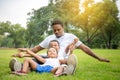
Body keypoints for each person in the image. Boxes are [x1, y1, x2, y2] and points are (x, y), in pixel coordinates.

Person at [11, 20, 110, 74]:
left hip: (61, 59)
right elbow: (36, 49)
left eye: (58, 29)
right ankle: (19, 67)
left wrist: (99, 58)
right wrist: (24, 53)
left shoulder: (71, 37)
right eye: (54, 30)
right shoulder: (49, 38)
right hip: (47, 58)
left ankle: (67, 69)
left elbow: (85, 48)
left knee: (69, 60)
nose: (56, 32)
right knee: (34, 59)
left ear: (63, 28)